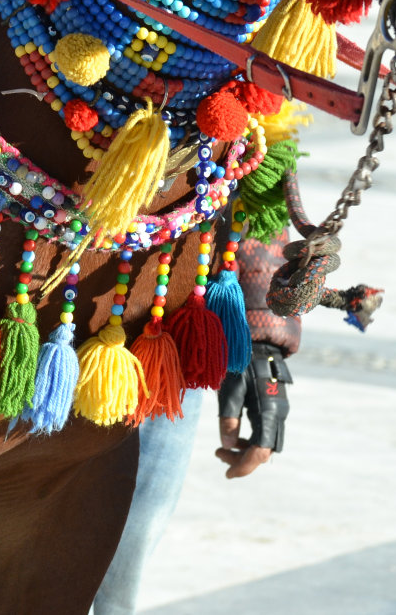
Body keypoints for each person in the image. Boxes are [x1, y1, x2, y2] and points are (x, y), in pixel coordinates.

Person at [93, 232, 297, 615]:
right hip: (32, 294)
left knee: (125, 557)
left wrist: (257, 339)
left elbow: (256, 182)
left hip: (174, 332)